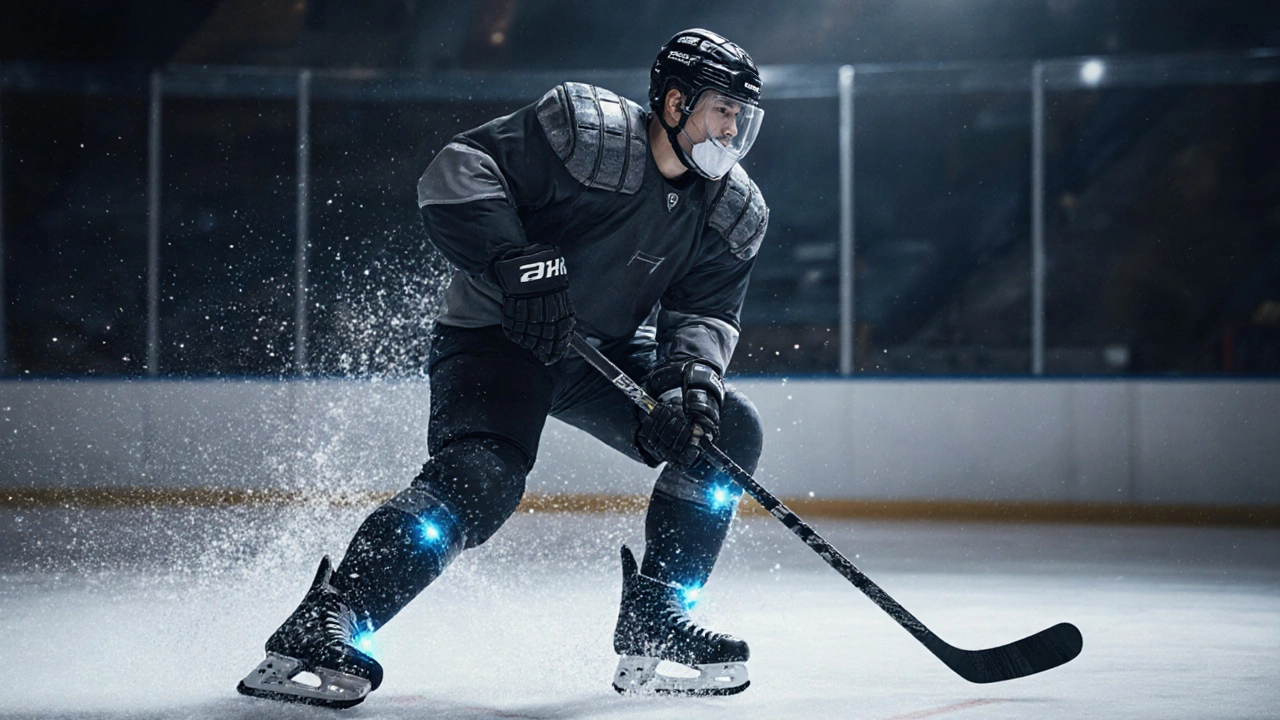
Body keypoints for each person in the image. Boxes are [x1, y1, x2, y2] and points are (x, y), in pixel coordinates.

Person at [237, 28, 768, 707]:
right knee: (481, 478)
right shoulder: (590, 135)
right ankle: (329, 616)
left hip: (598, 354)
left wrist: (684, 391)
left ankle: (656, 617)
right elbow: (457, 171)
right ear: (672, 101)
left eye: (741, 114)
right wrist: (514, 261)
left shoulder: (730, 210)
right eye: (723, 109)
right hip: (497, 332)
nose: (734, 127)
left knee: (721, 433)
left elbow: (703, 317)